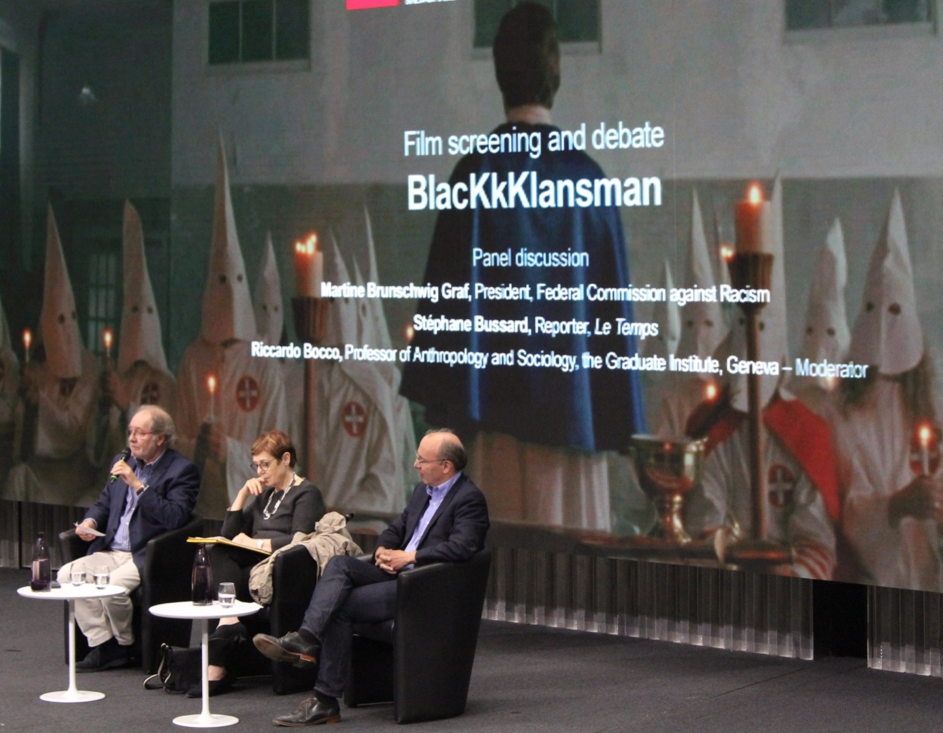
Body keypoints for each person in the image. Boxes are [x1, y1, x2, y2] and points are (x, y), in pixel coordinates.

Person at [399, 2, 645, 532]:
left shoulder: (475, 172)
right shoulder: (590, 179)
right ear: (556, 71)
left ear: (498, 72)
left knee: (498, 585)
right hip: (574, 428)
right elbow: (612, 314)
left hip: (492, 431)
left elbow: (446, 313)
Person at [253, 428, 489, 727]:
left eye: (421, 459)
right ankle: (306, 639)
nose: (415, 465)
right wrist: (383, 551)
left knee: (341, 606)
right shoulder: (422, 492)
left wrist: (411, 557)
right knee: (339, 564)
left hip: (424, 586)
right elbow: (396, 529)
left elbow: (463, 547)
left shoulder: (469, 499)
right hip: (397, 572)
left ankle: (324, 697)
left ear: (446, 466)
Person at [56, 405, 200, 670]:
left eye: (140, 433)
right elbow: (104, 502)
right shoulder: (122, 461)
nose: (132, 439)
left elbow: (176, 517)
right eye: (130, 432)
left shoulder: (181, 470)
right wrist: (90, 521)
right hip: (111, 549)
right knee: (67, 576)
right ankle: (106, 644)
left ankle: (125, 644)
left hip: (146, 552)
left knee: (113, 588)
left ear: (159, 438)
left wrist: (138, 486)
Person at [198, 429, 326, 697]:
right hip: (251, 566)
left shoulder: (307, 493)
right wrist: (243, 494)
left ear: (286, 459)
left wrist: (253, 544)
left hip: (281, 569)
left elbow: (298, 543)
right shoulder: (265, 496)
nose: (260, 472)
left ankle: (217, 665)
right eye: (256, 465)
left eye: (265, 464)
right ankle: (229, 621)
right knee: (217, 550)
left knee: (225, 563)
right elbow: (229, 534)